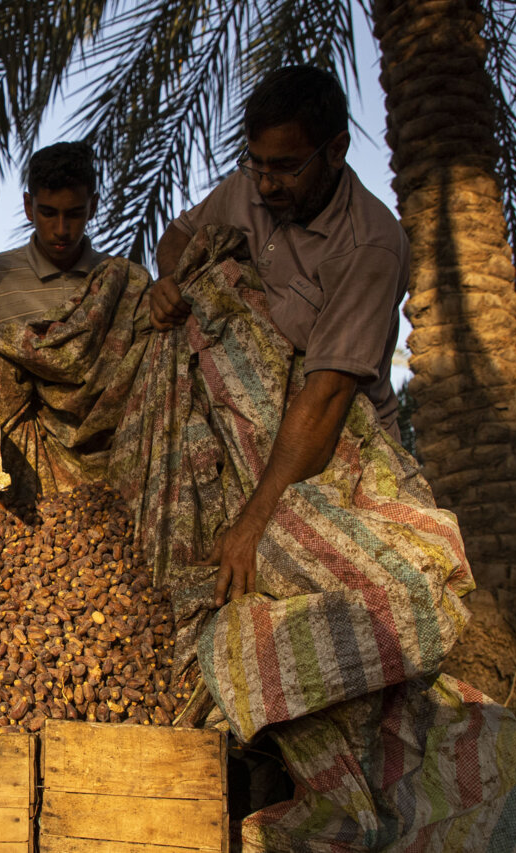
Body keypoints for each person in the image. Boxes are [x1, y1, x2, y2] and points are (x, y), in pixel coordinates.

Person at [150, 65, 409, 611]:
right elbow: (178, 236)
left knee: (355, 603)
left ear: (336, 150)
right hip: (234, 419)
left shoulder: (368, 246)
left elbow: (327, 396)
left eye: (286, 168)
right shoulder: (248, 186)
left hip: (326, 439)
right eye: (258, 163)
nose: (267, 184)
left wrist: (252, 524)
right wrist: (170, 280)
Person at [0, 141, 108, 322]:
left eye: (74, 214)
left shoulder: (122, 280)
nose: (61, 230)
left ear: (92, 207)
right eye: (48, 213)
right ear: (29, 206)